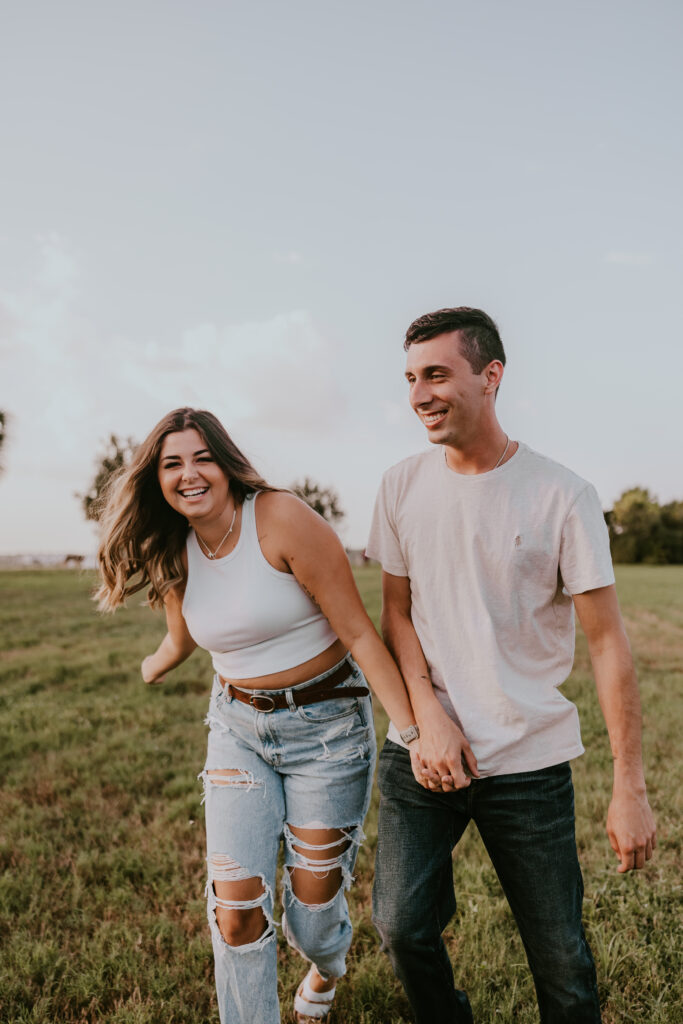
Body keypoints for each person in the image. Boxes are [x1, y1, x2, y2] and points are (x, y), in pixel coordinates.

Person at [366, 308, 656, 1024]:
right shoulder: (400, 485)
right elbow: (396, 616)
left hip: (526, 761)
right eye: (409, 378)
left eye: (436, 374)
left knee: (560, 960)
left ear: (490, 376)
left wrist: (629, 787)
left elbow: (606, 644)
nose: (419, 394)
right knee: (401, 926)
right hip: (421, 756)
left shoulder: (563, 495)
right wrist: (425, 719)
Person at [95, 407, 423, 1024]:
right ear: (156, 479)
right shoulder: (175, 549)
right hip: (238, 731)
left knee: (313, 912)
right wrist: (153, 664)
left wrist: (411, 731)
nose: (188, 475)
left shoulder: (280, 518)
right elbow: (184, 635)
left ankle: (326, 964)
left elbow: (357, 632)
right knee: (236, 907)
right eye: (171, 464)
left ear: (225, 463)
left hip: (328, 731)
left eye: (201, 458)